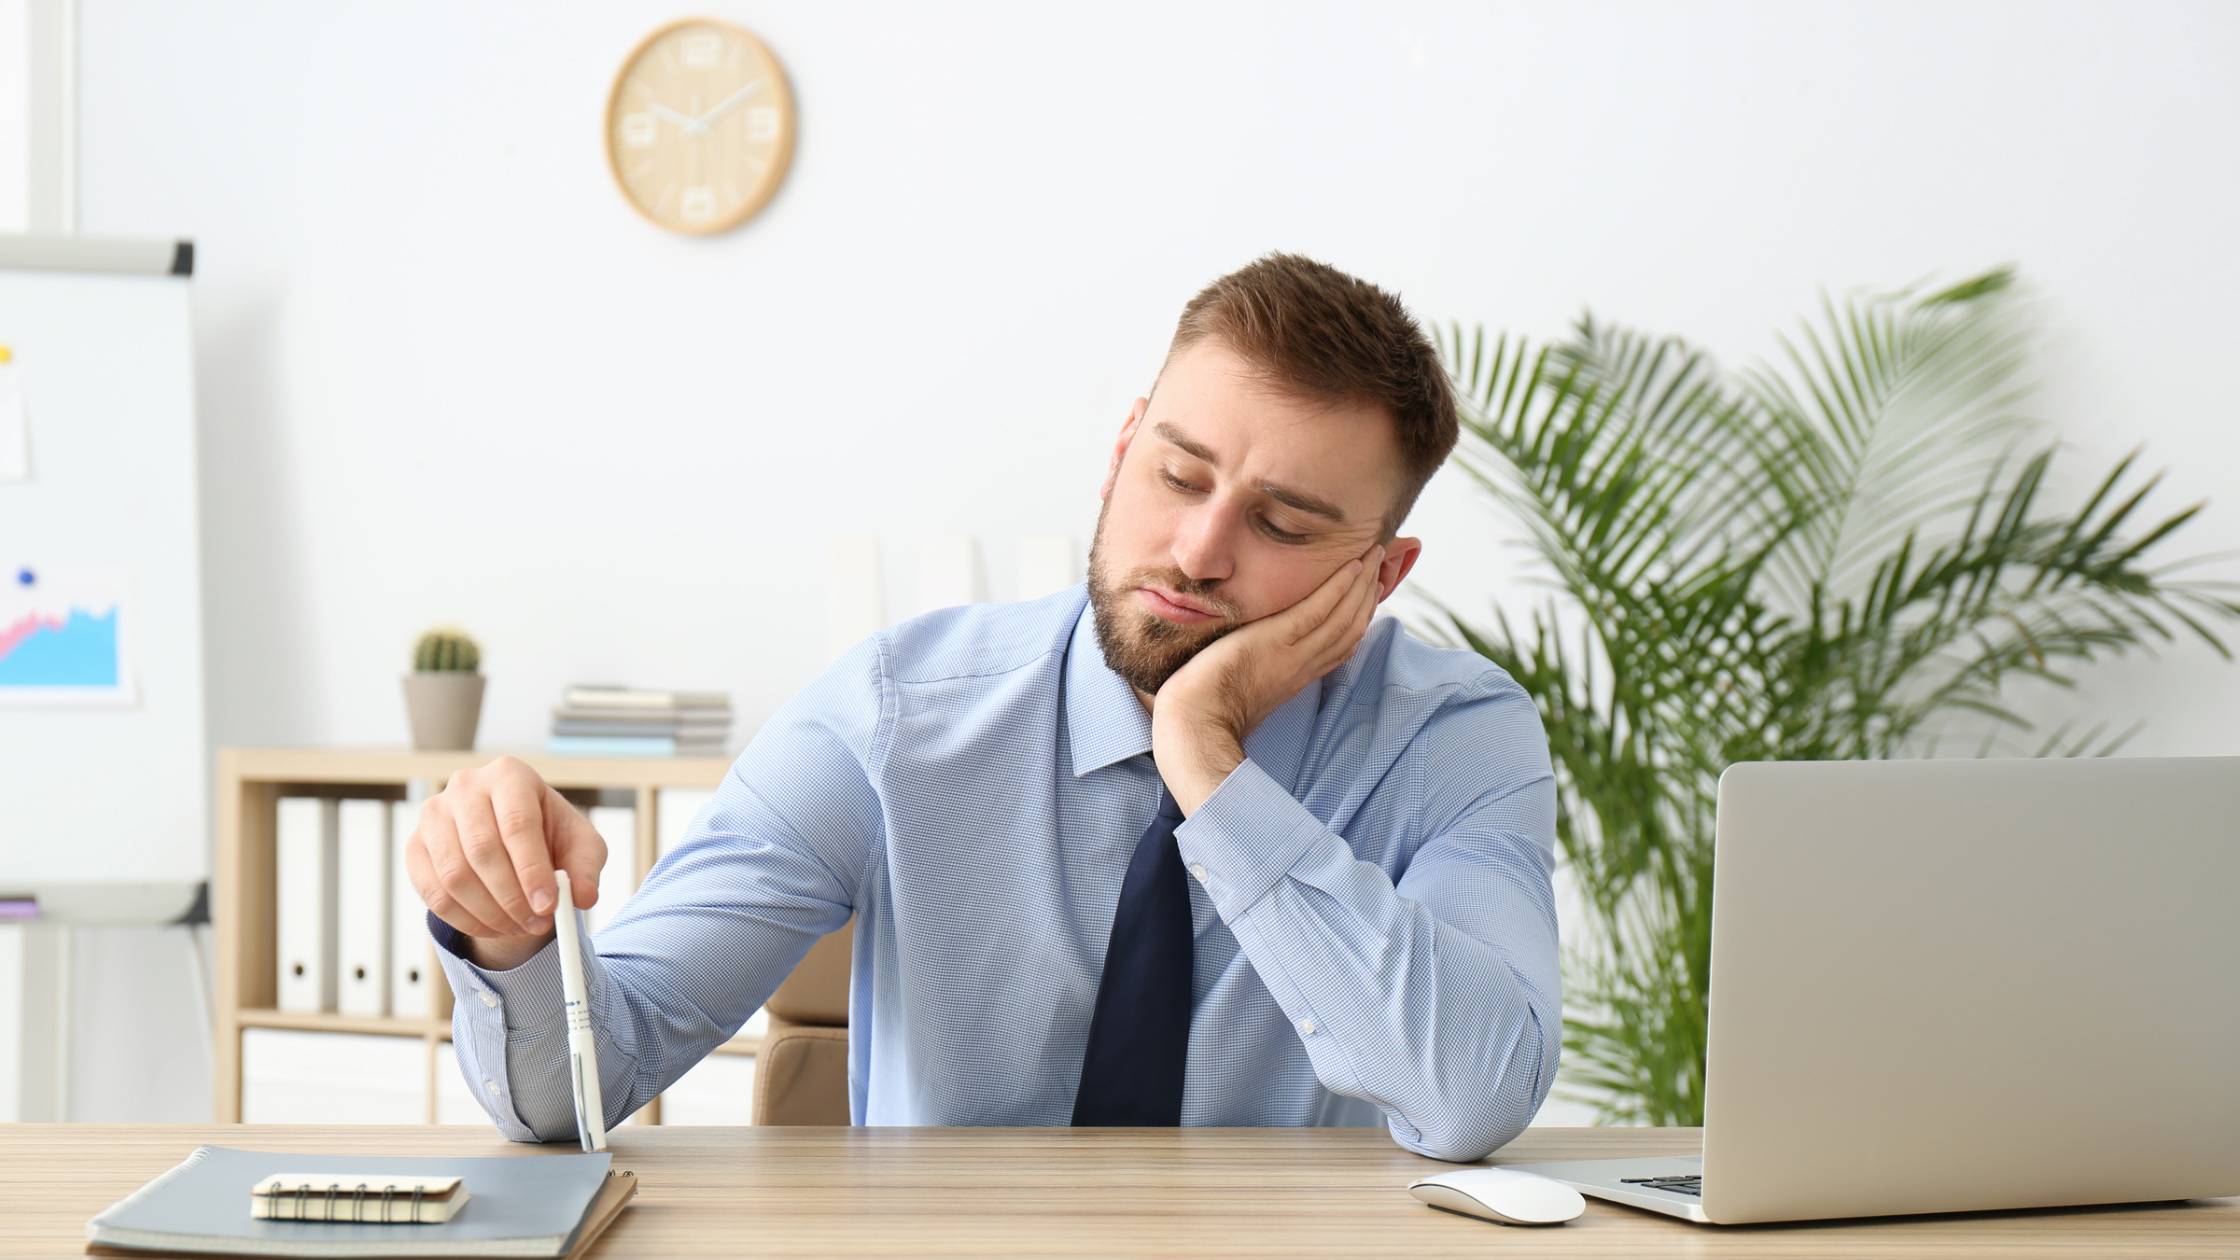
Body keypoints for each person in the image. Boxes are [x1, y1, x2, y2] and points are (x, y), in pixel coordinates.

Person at [406, 252, 1560, 1162]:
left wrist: (1208, 765)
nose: (1198, 550)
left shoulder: (1451, 739)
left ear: (1380, 576)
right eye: (1177, 475)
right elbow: (578, 1091)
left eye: (1283, 524)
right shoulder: (894, 715)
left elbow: (1471, 1095)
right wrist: (506, 935)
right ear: (1120, 449)